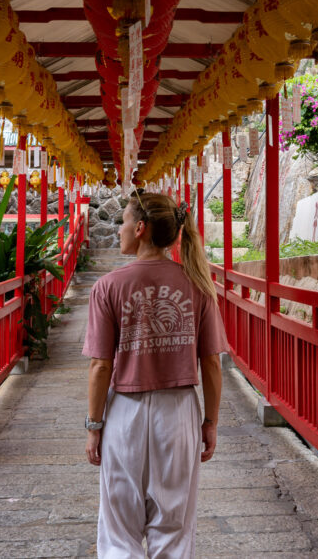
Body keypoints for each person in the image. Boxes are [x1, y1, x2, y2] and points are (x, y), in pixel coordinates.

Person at [82, 191, 227, 558]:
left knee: (119, 531)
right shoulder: (198, 284)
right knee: (174, 529)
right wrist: (210, 421)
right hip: (178, 415)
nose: (119, 231)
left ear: (141, 228)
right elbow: (211, 362)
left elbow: (101, 366)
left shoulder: (108, 287)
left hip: (125, 416)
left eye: (124, 222)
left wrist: (94, 426)